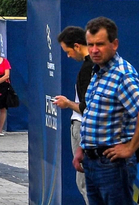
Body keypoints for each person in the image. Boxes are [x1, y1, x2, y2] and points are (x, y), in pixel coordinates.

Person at [76, 16, 139, 205]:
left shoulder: (122, 74)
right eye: (90, 44)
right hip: (92, 161)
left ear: (115, 44)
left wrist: (130, 148)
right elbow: (93, 115)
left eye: (100, 44)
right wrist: (82, 148)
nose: (94, 50)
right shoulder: (98, 71)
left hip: (112, 165)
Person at [51, 25, 93, 203]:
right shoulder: (91, 67)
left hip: (83, 126)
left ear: (77, 46)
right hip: (84, 126)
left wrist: (68, 103)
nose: (68, 56)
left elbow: (87, 107)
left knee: (85, 183)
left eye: (68, 51)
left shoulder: (88, 69)